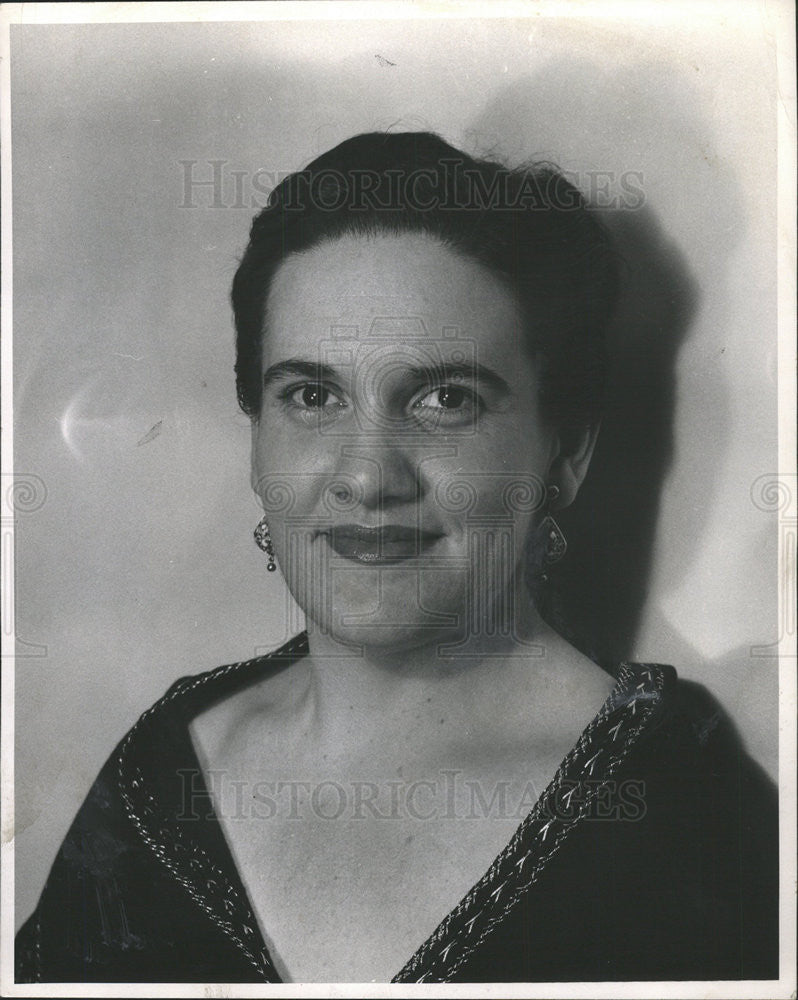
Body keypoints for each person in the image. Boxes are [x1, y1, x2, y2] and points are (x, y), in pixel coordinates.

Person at [16, 132, 778, 984]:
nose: (368, 476)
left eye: (445, 399)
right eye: (311, 396)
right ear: (257, 440)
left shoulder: (677, 811)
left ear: (565, 455)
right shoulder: (163, 774)